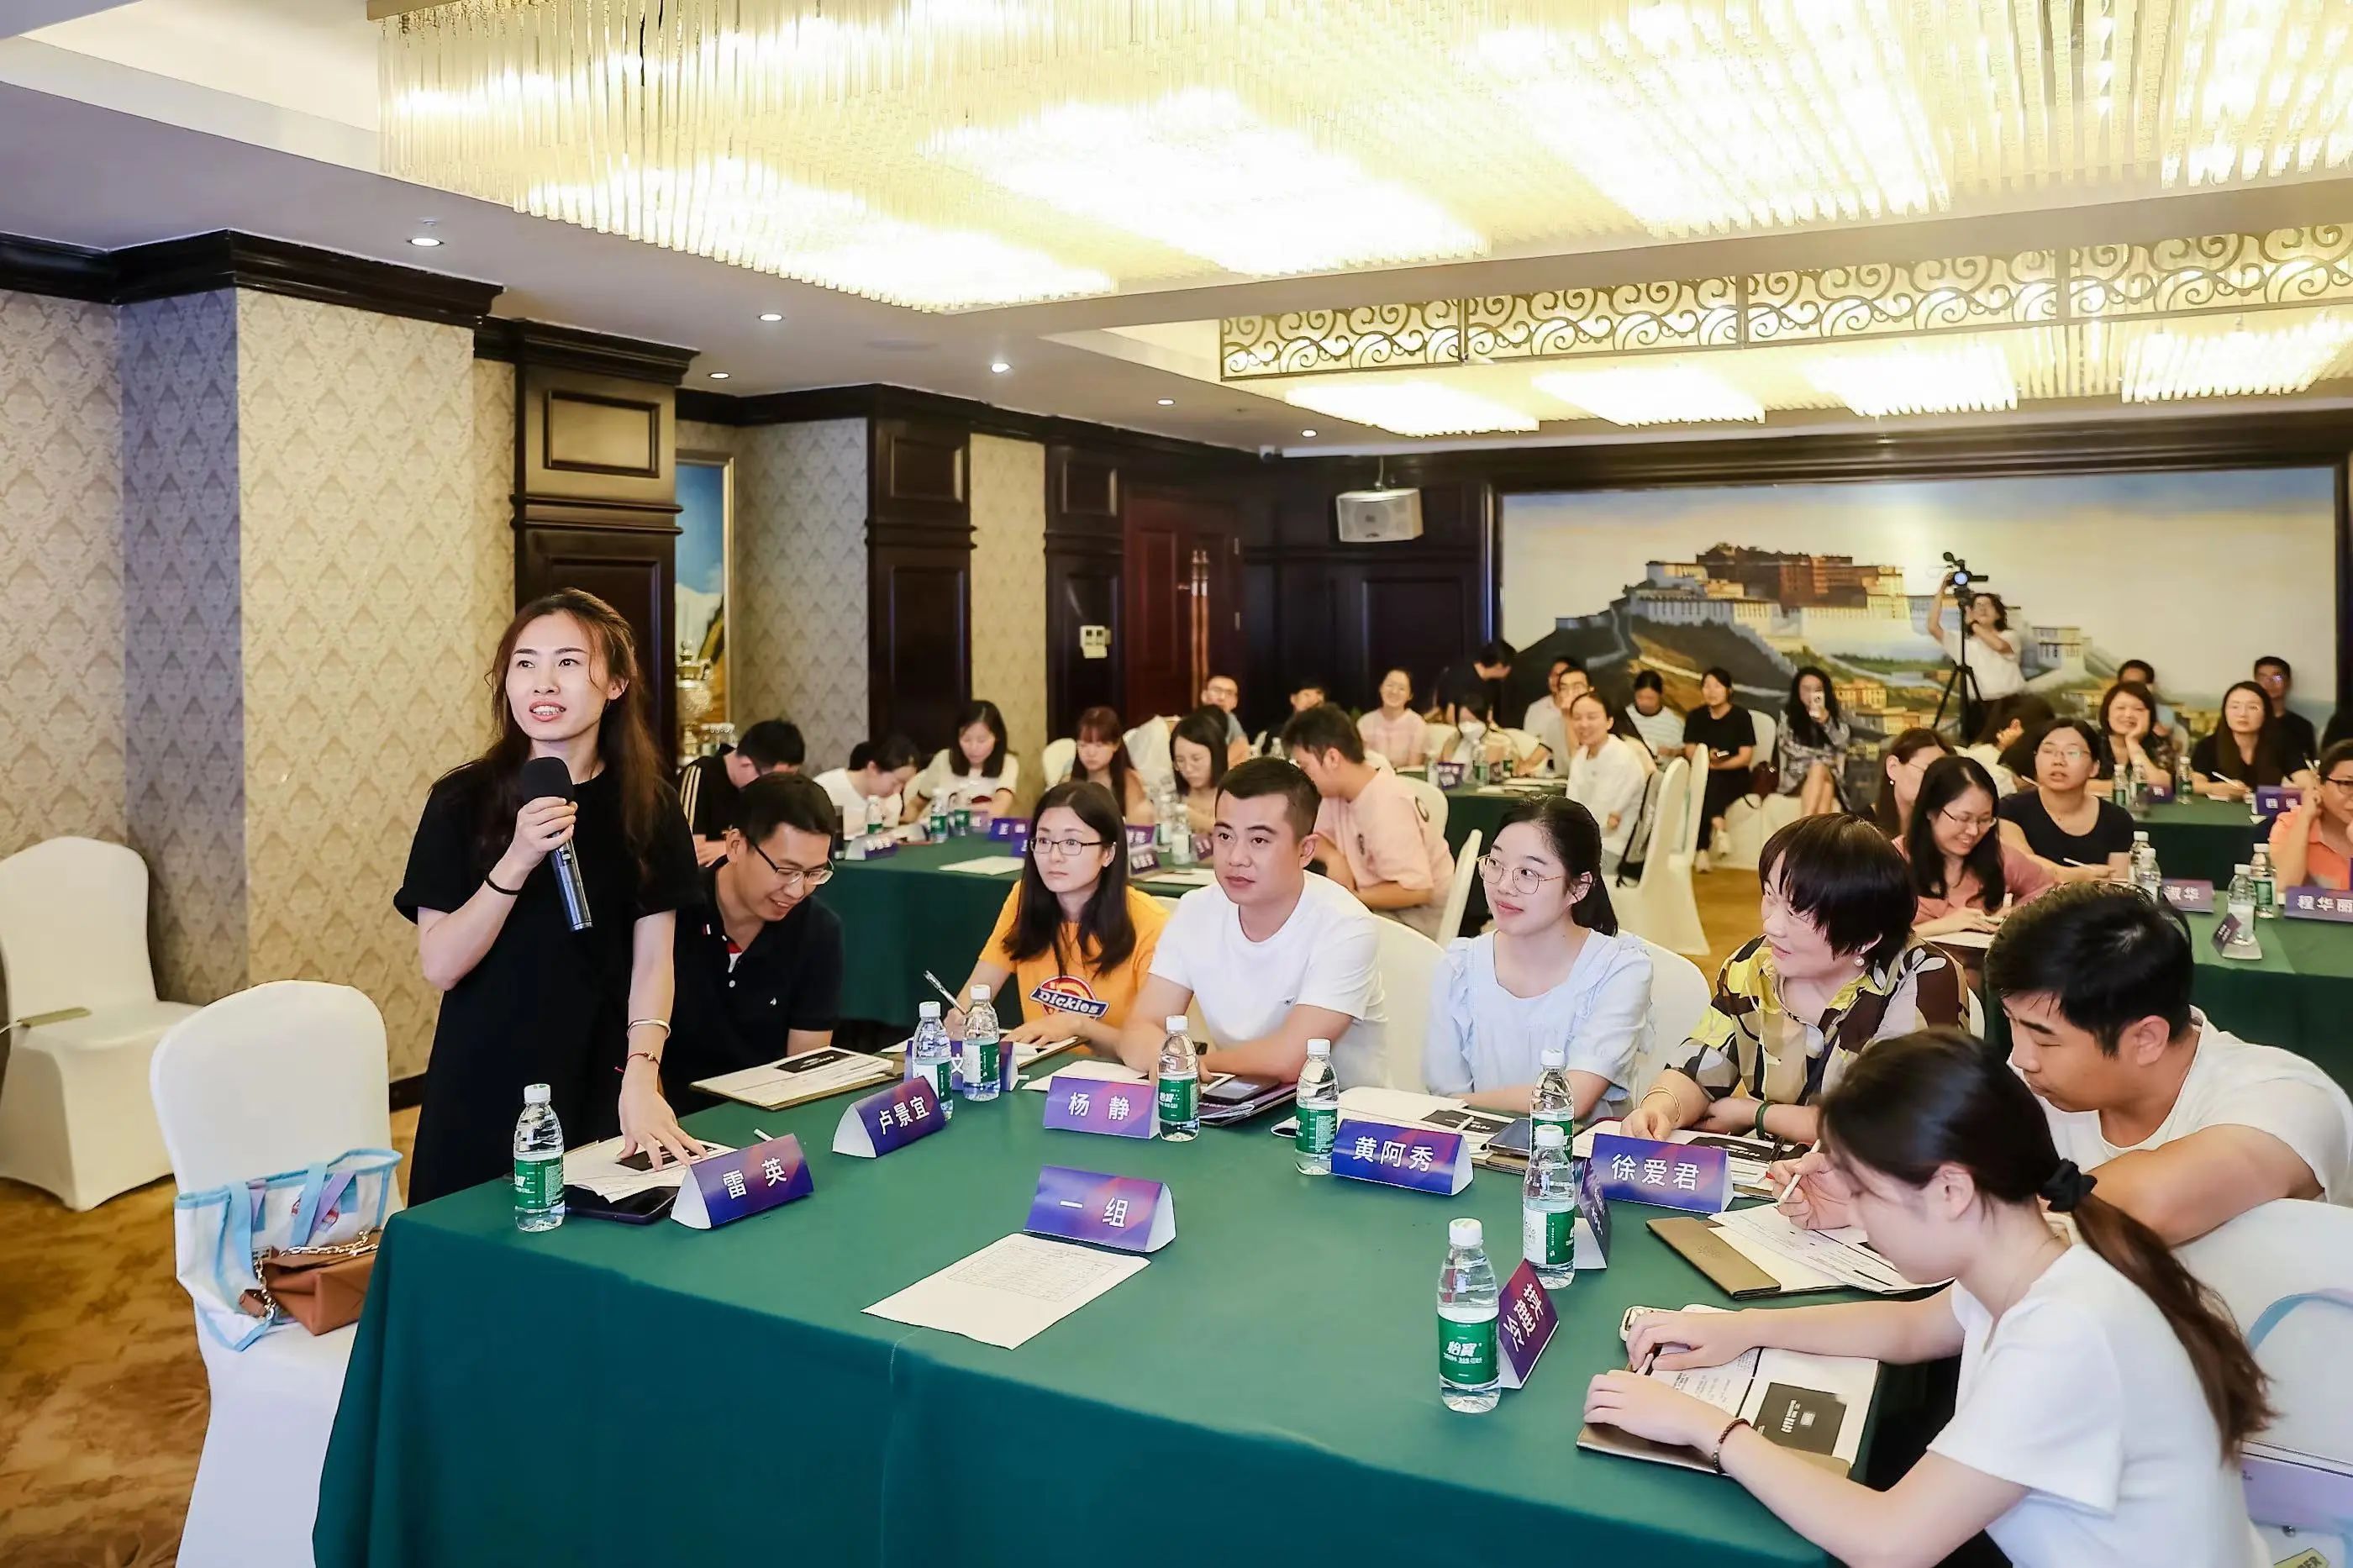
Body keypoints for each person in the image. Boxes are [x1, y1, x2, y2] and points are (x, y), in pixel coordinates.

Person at [1589, 1029, 2272, 1568]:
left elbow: (1889, 1543)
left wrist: (1707, 1428)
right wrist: (1747, 1328)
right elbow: (1913, 1329)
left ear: (1950, 1190)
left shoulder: (2068, 1332)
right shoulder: (2042, 1242)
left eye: (1863, 1193)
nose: (1854, 1212)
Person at [1780, 883, 2353, 1243]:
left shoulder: (2286, 1099)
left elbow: (2148, 1203)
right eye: (2014, 1026)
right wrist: (1869, 1191)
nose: (2021, 1059)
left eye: (2045, 1039)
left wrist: (1918, 1199)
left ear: (2146, 1039)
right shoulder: (2037, 1086)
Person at [396, 589, 703, 1204]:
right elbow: (441, 964)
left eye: (568, 662)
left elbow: (654, 962)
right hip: (485, 1077)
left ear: (616, 683)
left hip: (602, 1070)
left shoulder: (650, 805)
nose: (544, 683)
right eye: (525, 663)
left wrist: (643, 1072)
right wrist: (518, 857)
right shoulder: (461, 801)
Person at [1620, 815, 1963, 1146]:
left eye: (1798, 912)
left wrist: (1755, 1113)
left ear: (1865, 937)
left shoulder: (1922, 977)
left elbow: (1884, 1125)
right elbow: (1698, 1066)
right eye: (1770, 896)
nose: (1771, 925)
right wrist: (1661, 1107)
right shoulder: (1755, 963)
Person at [1118, 758, 1387, 1088]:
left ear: (1305, 851)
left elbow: (1291, 1059)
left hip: (1337, 1109)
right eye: (1225, 836)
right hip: (1231, 1101)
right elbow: (1140, 1028)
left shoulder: (1346, 925)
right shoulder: (1195, 910)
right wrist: (1166, 1059)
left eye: (1259, 841)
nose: (1236, 857)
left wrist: (1191, 1065)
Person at [1424, 798, 1653, 1118]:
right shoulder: (1460, 966)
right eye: (1495, 863)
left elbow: (1570, 1099)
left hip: (1579, 1148)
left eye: (1528, 873)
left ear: (1578, 887)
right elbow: (1444, 1094)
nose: (1504, 886)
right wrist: (1455, 1104)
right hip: (1476, 1145)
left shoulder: (1619, 969)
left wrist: (1460, 1102)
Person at [948, 781, 1170, 1055]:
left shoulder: (1149, 922)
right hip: (1037, 1069)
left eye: (1071, 842)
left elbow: (1156, 1050)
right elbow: (975, 995)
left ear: (1108, 853)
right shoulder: (1023, 899)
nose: (1054, 856)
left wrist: (1079, 1026)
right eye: (1043, 841)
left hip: (1116, 1075)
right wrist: (960, 1020)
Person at [666, 774, 843, 1110]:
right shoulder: (670, 915)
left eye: (813, 874)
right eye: (786, 870)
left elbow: (807, 1069)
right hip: (670, 1116)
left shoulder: (818, 931)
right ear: (736, 845)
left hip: (769, 1115)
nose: (797, 890)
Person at [1282, 704, 1454, 939]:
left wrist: (1350, 898)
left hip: (1410, 923)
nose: (1304, 777)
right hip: (1375, 905)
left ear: (1332, 758)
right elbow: (1314, 835)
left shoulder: (1386, 804)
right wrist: (1334, 857)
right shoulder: (1337, 791)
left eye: (1305, 766)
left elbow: (1417, 891)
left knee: (1303, 929)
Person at [1903, 755, 2057, 939]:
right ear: (1930, 810)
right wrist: (1942, 926)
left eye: (1984, 820)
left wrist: (2017, 917)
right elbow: (1874, 939)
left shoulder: (1999, 856)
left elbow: (2050, 891)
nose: (1973, 831)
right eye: (1963, 818)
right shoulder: (1892, 859)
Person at [1998, 718, 2133, 883]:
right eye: (2048, 751)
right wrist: (2079, 876)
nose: (2058, 761)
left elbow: (2117, 884)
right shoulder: (2010, 809)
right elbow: (2023, 864)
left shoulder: (2116, 819)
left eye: (2072, 753)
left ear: (2094, 767)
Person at [678, 718, 803, 866]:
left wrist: (730, 847)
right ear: (746, 764)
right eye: (774, 779)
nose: (780, 788)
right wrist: (746, 847)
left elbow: (782, 840)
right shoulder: (700, 774)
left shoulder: (770, 790)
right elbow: (690, 852)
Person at [1561, 691, 1645, 874]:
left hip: (1613, 848)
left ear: (1609, 721)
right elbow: (1571, 807)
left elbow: (1604, 820)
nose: (1584, 724)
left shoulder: (1621, 756)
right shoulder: (1581, 757)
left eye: (1592, 717)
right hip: (1586, 844)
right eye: (1577, 718)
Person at [1929, 577, 2024, 741]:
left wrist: (1973, 624)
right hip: (1978, 707)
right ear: (1970, 611)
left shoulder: (2009, 636)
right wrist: (1942, 590)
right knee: (1979, 748)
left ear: (1998, 614)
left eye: (1988, 605)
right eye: (1978, 605)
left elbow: (1999, 646)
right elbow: (1933, 627)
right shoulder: (1963, 642)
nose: (1983, 609)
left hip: (2010, 704)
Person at [2192, 680, 2318, 799]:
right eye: (2235, 707)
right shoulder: (2208, 746)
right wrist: (2216, 788)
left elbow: (2307, 782)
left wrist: (2296, 789)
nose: (2242, 714)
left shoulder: (2282, 743)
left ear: (2266, 713)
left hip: (2268, 812)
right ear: (2224, 712)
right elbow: (2197, 785)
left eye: (2252, 707)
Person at [1681, 666, 1756, 860]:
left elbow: (1745, 757)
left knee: (1708, 785)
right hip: (1705, 773)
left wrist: (1717, 765)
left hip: (1735, 775)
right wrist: (1706, 757)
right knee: (1707, 784)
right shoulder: (1695, 716)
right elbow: (1690, 751)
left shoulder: (1741, 717)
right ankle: (1720, 830)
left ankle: (1702, 850)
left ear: (1728, 690)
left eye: (1717, 686)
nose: (1711, 691)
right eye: (1707, 686)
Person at [908, 700, 1020, 820]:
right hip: (937, 830)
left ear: (997, 737)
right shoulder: (944, 758)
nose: (973, 748)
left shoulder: (1007, 763)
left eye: (981, 740)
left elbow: (998, 810)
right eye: (966, 740)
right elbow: (915, 805)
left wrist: (951, 810)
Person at [2270, 739, 2353, 890]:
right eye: (2347, 784)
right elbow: (2285, 888)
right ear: (2320, 784)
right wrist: (2305, 819)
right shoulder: (2292, 824)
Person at [1776, 666, 1848, 817]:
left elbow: (1841, 743)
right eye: (1806, 689)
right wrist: (1820, 757)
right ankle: (1814, 828)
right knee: (1824, 783)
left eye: (1817, 689)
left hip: (1828, 773)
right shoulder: (1788, 717)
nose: (1811, 694)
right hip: (1798, 776)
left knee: (1819, 769)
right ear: (1798, 691)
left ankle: (1804, 823)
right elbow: (1786, 745)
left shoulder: (1834, 717)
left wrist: (1826, 723)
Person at [814, 734, 919, 834]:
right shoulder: (824, 788)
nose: (898, 791)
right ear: (873, 768)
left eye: (904, 784)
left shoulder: (893, 800)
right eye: (895, 783)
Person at [1069, 705, 1152, 824]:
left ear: (1116, 744)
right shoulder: (1068, 782)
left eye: (1099, 745)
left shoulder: (1130, 781)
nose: (1091, 753)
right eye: (1083, 745)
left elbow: (1137, 827)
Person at [1871, 727, 1953, 839]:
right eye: (1927, 772)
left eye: (1941, 776)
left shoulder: (1940, 831)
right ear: (1892, 767)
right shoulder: (1860, 830)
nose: (1935, 782)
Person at [2096, 681, 2177, 783]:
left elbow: (2161, 785)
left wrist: (2133, 742)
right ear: (2107, 713)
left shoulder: (2160, 745)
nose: (2128, 715)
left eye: (2138, 709)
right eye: (2121, 708)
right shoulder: (2091, 741)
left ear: (2149, 715)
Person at [1169, 706, 1229, 835]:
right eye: (1180, 761)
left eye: (1196, 759)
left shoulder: (1237, 798)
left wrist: (1199, 820)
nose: (1188, 769)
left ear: (1216, 755)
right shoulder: (1172, 800)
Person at [2253, 655, 2321, 768]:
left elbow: (2310, 765)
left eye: (2277, 677)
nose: (2269, 682)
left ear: (2288, 682)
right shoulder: (2247, 721)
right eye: (2263, 678)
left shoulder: (2302, 726)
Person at [1357, 666, 1429, 769]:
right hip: (1371, 777)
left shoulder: (1417, 724)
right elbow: (1359, 763)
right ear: (1381, 688)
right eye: (1390, 685)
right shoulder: (1365, 722)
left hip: (1404, 777)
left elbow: (1413, 768)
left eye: (1401, 689)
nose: (1394, 691)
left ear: (1410, 695)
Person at [1434, 638, 1514, 727]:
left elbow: (1489, 714)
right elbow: (1450, 717)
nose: (1510, 670)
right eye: (1510, 666)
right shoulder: (1460, 675)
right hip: (1451, 727)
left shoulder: (1494, 683)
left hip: (1479, 729)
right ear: (1499, 665)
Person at [1520, 656, 1579, 760]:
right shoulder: (1536, 708)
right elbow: (1527, 745)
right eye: (1553, 675)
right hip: (1539, 766)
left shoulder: (1583, 708)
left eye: (1561, 675)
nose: (1556, 680)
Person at [2115, 659, 2180, 741]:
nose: (2132, 689)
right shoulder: (2112, 709)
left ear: (2149, 687)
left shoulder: (2164, 712)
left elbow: (2166, 740)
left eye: (2138, 684)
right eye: (2128, 684)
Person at [1625, 670, 1683, 758]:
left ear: (1660, 694)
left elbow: (1682, 752)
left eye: (1650, 698)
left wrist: (1670, 752)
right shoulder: (1625, 717)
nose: (1644, 703)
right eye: (1640, 697)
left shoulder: (1673, 722)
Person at [1200, 672, 1250, 763]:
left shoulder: (1232, 720)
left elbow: (1242, 748)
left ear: (1235, 702)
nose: (1222, 698)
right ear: (1204, 696)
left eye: (1229, 693)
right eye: (1217, 691)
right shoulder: (1194, 722)